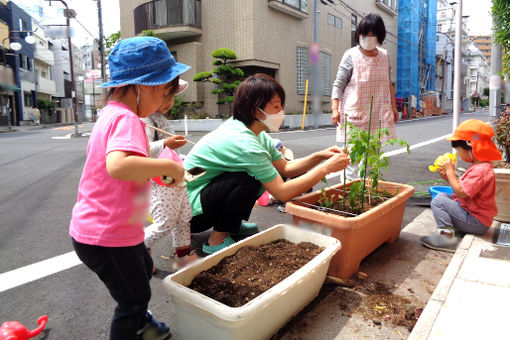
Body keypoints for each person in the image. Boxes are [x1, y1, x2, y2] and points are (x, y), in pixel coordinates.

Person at [69, 36, 190, 340]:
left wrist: (157, 171)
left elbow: (128, 166)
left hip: (115, 230)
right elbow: (119, 166)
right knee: (133, 297)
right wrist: (170, 167)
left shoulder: (112, 114)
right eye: (165, 92)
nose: (167, 102)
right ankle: (135, 324)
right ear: (142, 86)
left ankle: (141, 322)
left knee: (143, 267)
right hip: (107, 236)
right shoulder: (127, 119)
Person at [184, 73, 350, 255]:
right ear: (256, 110)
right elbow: (282, 192)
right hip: (188, 213)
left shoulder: (254, 132)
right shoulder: (244, 143)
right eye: (276, 107)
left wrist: (320, 156)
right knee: (248, 178)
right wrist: (327, 168)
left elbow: (286, 167)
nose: (281, 113)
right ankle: (216, 240)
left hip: (201, 196)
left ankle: (230, 225)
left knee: (256, 174)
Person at [330, 13, 398, 180]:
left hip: (378, 115)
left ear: (379, 36)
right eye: (365, 33)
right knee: (352, 158)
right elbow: (339, 84)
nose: (368, 37)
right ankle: (348, 195)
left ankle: (365, 194)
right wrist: (334, 109)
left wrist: (394, 108)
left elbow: (389, 84)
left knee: (372, 159)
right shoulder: (351, 55)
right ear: (358, 34)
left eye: (372, 34)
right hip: (355, 115)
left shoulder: (385, 56)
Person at [141, 79, 198, 272]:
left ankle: (182, 257)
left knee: (184, 218)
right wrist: (166, 144)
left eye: (173, 96)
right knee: (165, 223)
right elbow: (143, 150)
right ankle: (138, 249)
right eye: (166, 96)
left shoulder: (158, 118)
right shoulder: (144, 120)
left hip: (174, 176)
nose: (170, 101)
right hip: (160, 179)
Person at [421, 119, 502, 253]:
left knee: (439, 201)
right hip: (475, 217)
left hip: (476, 222)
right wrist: (448, 177)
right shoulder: (480, 167)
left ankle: (446, 237)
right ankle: (451, 229)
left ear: (471, 146)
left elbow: (461, 192)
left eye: (459, 151)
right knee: (445, 196)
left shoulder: (481, 170)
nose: (459, 155)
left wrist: (450, 171)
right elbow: (464, 189)